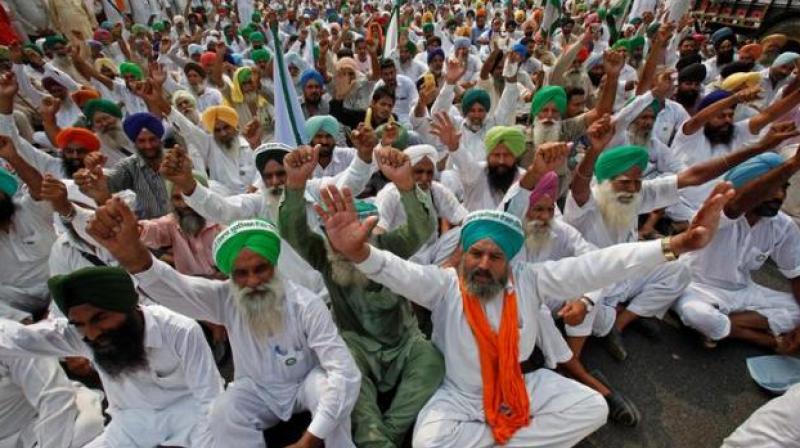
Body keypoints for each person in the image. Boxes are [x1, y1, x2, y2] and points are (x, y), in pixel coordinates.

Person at [315, 177, 734, 447]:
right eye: (475, 253)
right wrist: (360, 253)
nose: (483, 264)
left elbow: (600, 265)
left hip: (517, 387)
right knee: (428, 443)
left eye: (495, 256)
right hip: (459, 396)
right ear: (464, 255)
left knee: (592, 408)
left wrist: (675, 244)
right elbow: (396, 271)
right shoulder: (443, 286)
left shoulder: (531, 281)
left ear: (509, 261)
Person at [87, 199, 361, 448]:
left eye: (261, 269)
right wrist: (134, 257)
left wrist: (310, 440)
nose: (253, 281)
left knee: (330, 391)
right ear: (230, 274)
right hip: (258, 389)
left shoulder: (306, 305)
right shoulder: (226, 298)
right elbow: (177, 287)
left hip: (306, 384)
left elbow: (345, 372)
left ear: (274, 265)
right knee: (222, 411)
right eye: (241, 273)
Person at [279, 145, 444, 447]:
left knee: (432, 361)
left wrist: (406, 186)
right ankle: (373, 439)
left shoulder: (388, 247)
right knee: (344, 379)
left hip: (404, 342)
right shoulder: (324, 255)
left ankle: (388, 433)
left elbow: (422, 227)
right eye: (336, 232)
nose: (345, 241)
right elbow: (293, 231)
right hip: (356, 344)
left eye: (355, 231)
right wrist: (295, 185)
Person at [0, 266, 224, 447]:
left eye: (99, 318)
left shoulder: (179, 330)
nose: (92, 333)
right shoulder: (81, 336)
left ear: (128, 306)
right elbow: (17, 338)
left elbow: (210, 401)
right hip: (130, 428)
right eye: (80, 324)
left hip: (189, 423)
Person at [675, 151, 800, 352]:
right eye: (771, 188)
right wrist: (793, 163)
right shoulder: (719, 210)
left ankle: (724, 326)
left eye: (784, 188)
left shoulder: (783, 226)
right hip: (698, 287)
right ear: (747, 187)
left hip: (744, 292)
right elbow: (735, 206)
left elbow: (796, 274)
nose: (779, 196)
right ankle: (756, 336)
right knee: (696, 314)